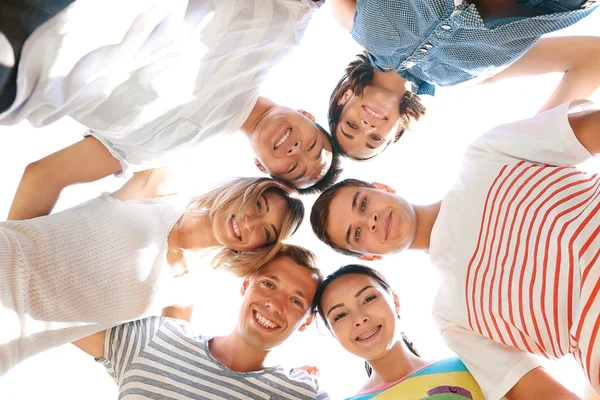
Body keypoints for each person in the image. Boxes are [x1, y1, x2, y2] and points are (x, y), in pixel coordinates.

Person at [310, 99, 600, 398]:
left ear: (383, 187)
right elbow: (538, 393)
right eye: (356, 234)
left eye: (363, 203)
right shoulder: (452, 317)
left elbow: (592, 129)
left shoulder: (487, 154)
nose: (369, 220)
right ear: (371, 256)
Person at [0, 0, 341, 211]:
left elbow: (44, 176)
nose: (297, 149)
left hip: (19, 75)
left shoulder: (165, 153)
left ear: (262, 166)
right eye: (312, 145)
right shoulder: (288, 26)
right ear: (307, 115)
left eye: (295, 167)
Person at [0, 170, 304, 376]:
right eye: (258, 204)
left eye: (265, 231)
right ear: (243, 191)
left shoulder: (184, 294)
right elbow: (41, 174)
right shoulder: (156, 187)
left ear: (258, 248)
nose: (250, 222)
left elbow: (151, 367)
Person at [327, 0, 600, 160]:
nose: (366, 126)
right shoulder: (463, 79)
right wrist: (533, 144)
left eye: (350, 125)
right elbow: (592, 57)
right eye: (375, 139)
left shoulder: (349, 19)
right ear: (395, 132)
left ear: (344, 98)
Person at [73, 244, 330, 399]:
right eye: (268, 284)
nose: (275, 304)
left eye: (296, 301)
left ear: (307, 322)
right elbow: (55, 310)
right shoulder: (159, 337)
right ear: (245, 285)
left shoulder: (304, 394)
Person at [315, 264, 486, 400]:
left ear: (395, 301)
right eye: (341, 315)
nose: (359, 319)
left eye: (368, 298)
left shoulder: (470, 367)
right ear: (333, 333)